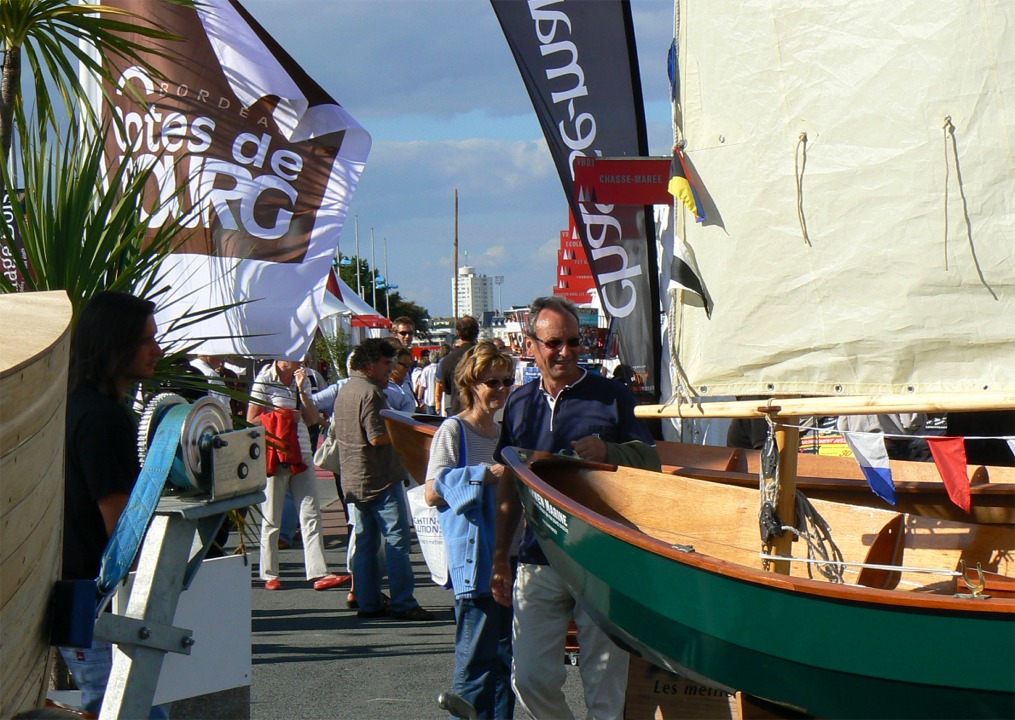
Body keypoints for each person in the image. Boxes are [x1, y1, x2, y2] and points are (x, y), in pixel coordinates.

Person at [491, 296, 660, 720]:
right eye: (554, 343)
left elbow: (651, 462)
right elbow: (511, 482)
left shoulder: (612, 396)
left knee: (605, 689)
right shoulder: (519, 403)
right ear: (531, 344)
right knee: (527, 679)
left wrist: (608, 449)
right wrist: (499, 556)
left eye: (573, 342)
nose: (565, 351)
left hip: (602, 558)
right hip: (539, 556)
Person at [60, 291, 169, 719]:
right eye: (146, 340)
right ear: (114, 342)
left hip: (79, 596)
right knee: (129, 709)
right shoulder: (103, 417)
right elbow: (121, 528)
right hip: (99, 602)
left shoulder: (77, 405)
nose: (157, 350)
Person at [425, 341, 517, 719]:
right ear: (471, 384)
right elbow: (432, 491)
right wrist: (483, 476)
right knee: (476, 660)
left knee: (506, 662)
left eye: (506, 381)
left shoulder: (505, 434)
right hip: (474, 557)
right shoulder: (454, 430)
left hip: (509, 552)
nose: (500, 389)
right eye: (490, 382)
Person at [333, 338, 434, 621]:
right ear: (370, 364)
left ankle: (368, 600)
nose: (391, 369)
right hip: (379, 477)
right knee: (397, 541)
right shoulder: (372, 392)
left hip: (354, 477)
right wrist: (407, 431)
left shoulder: (346, 390)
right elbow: (377, 436)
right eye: (387, 363)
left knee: (365, 542)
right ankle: (403, 602)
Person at [248, 359, 349, 591]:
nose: (292, 359)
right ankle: (269, 573)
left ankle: (318, 571)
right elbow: (251, 419)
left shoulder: (306, 378)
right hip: (275, 452)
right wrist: (282, 416)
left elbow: (312, 418)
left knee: (311, 512)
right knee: (272, 515)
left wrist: (303, 390)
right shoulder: (264, 379)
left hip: (302, 451)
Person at [436, 315, 479, 416]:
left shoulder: (447, 360)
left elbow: (447, 389)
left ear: (458, 332)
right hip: (483, 411)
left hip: (458, 411)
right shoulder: (486, 356)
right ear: (477, 332)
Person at [387, 346, 418, 413]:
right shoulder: (385, 386)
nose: (408, 369)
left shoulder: (407, 383)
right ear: (394, 363)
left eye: (410, 365)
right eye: (405, 365)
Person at [416, 349, 441, 414]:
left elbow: (422, 386)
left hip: (429, 398)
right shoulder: (440, 368)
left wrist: (419, 398)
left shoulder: (426, 370)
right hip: (440, 399)